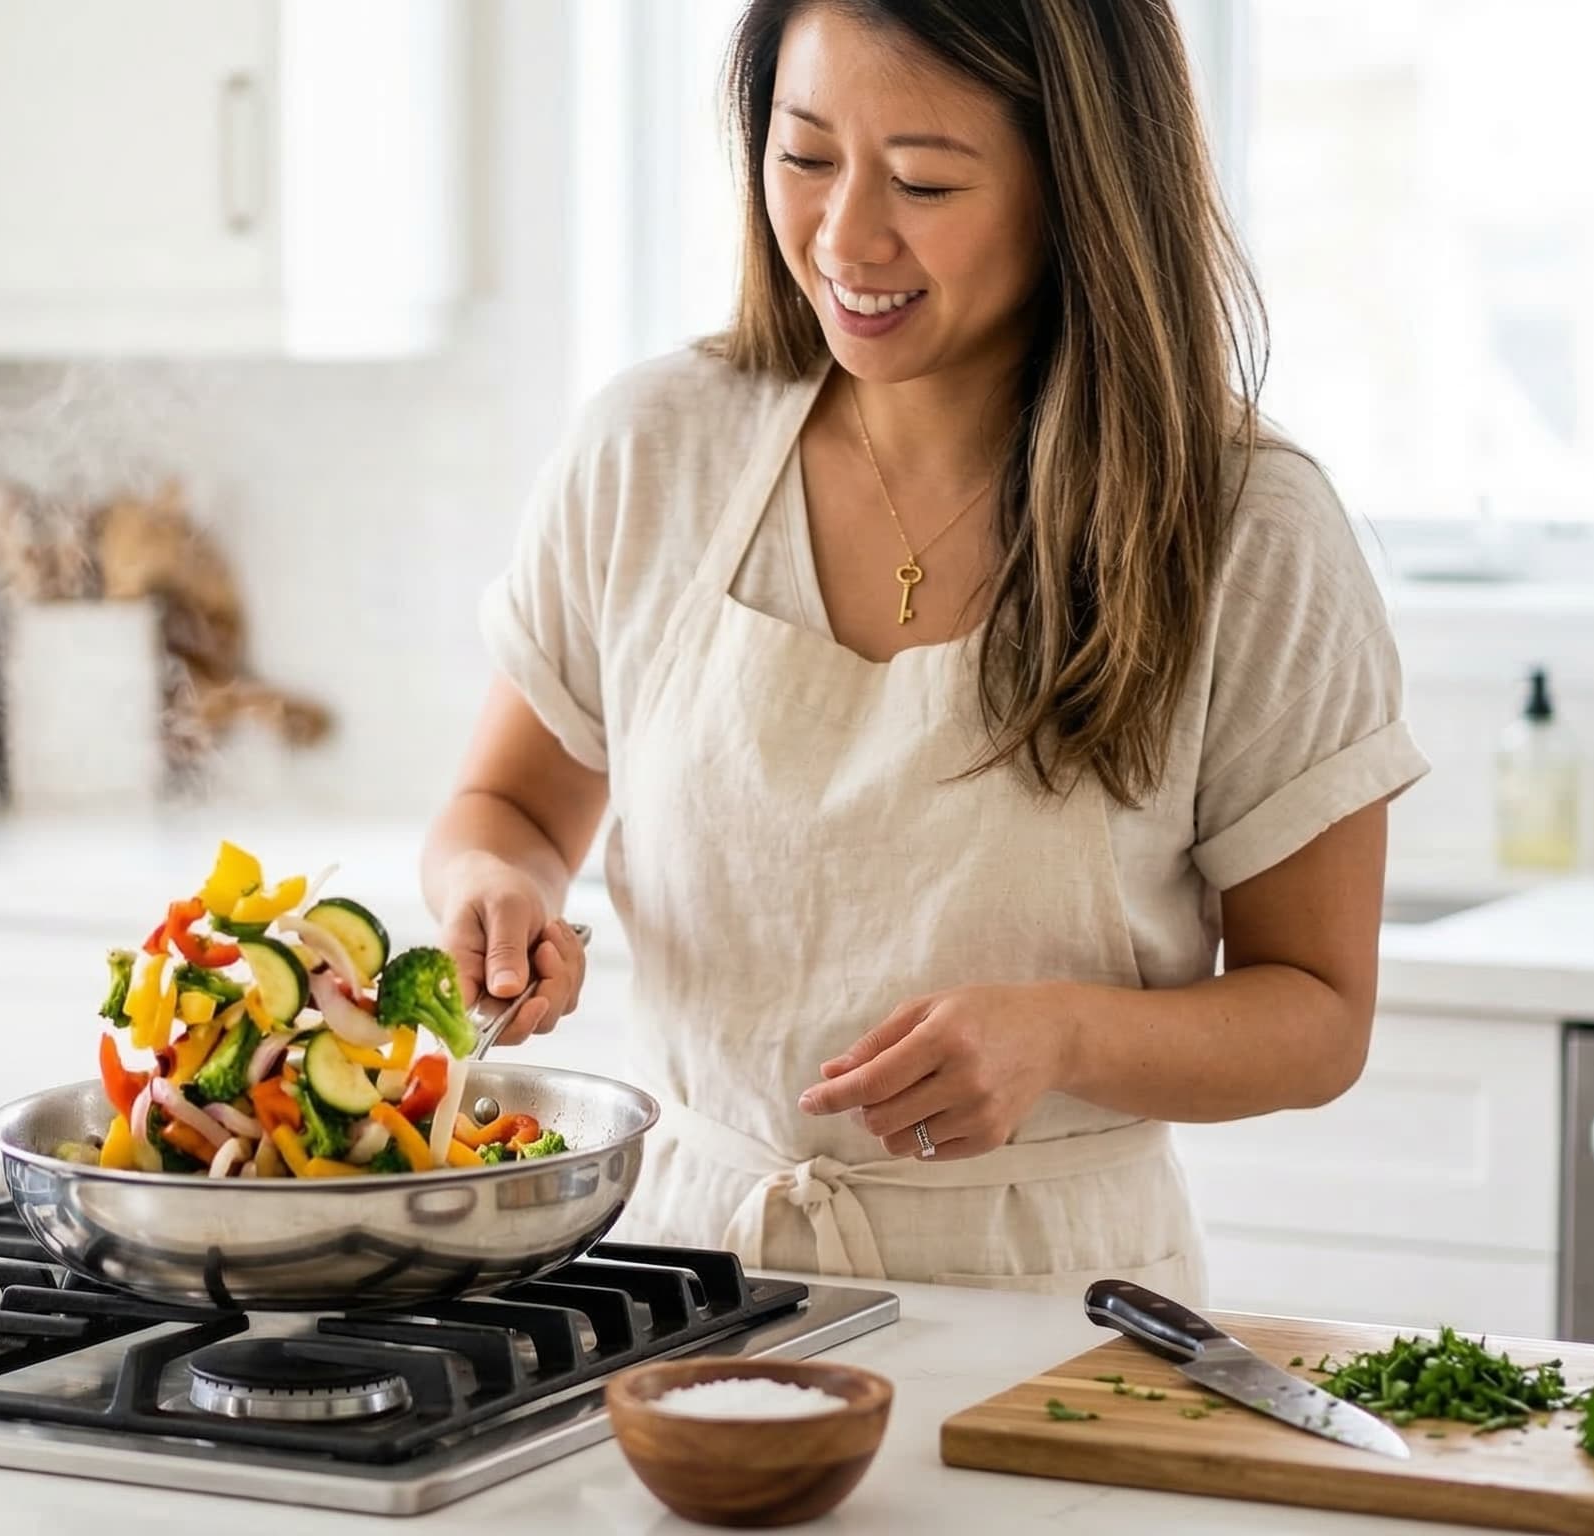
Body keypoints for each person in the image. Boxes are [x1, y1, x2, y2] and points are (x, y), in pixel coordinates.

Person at [420, 0, 1428, 1297]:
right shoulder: (651, 451)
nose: (846, 238)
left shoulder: (1243, 522)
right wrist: (492, 889)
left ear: (1077, 183)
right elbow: (503, 807)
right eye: (805, 155)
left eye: (924, 179)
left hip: (1056, 1321)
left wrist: (1066, 1034)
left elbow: (1319, 1013)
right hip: (682, 1292)